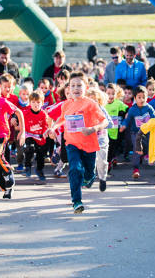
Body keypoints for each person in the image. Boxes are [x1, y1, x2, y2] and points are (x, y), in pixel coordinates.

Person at [47, 71, 108, 214]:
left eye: (79, 85)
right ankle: (76, 201)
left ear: (85, 87)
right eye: (73, 85)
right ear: (68, 88)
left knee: (87, 173)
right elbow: (62, 119)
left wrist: (93, 129)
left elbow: (104, 121)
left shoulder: (91, 104)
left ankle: (89, 177)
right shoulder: (66, 105)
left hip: (89, 145)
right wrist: (53, 128)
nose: (76, 88)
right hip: (72, 143)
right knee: (74, 169)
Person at [119, 86, 155, 179]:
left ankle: (149, 159)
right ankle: (136, 169)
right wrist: (123, 125)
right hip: (135, 132)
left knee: (149, 146)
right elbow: (127, 120)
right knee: (137, 149)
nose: (142, 99)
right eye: (139, 97)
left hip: (147, 132)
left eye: (144, 97)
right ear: (135, 98)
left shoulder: (149, 108)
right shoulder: (132, 109)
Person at [86, 87, 113, 192]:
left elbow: (110, 124)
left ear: (99, 100)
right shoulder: (85, 111)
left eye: (95, 100)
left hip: (101, 140)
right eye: (91, 99)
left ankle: (102, 178)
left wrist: (99, 126)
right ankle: (90, 178)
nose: (93, 102)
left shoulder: (101, 109)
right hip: (89, 140)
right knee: (90, 161)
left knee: (101, 162)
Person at [22, 91, 49, 180]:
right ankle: (27, 167)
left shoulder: (43, 114)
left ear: (42, 103)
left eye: (38, 102)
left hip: (40, 137)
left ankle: (39, 170)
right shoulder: (26, 113)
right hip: (29, 136)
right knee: (29, 148)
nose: (35, 104)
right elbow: (18, 116)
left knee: (41, 155)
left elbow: (46, 126)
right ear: (30, 103)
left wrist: (45, 133)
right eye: (33, 102)